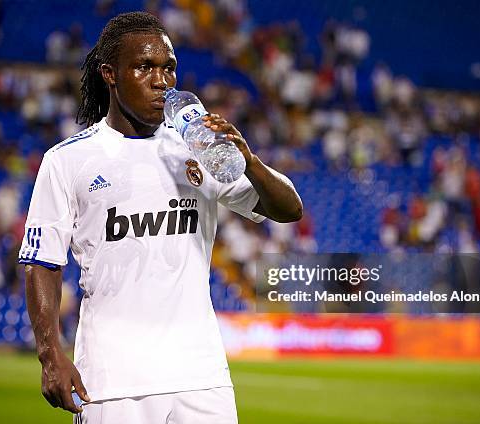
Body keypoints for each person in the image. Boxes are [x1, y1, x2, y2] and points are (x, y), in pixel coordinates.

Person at [19, 11, 302, 424]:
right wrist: (50, 355)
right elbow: (41, 262)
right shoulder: (68, 160)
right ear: (110, 74)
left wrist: (250, 161)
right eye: (144, 67)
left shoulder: (198, 149)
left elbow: (289, 209)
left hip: (201, 377)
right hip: (113, 382)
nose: (162, 81)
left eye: (169, 68)